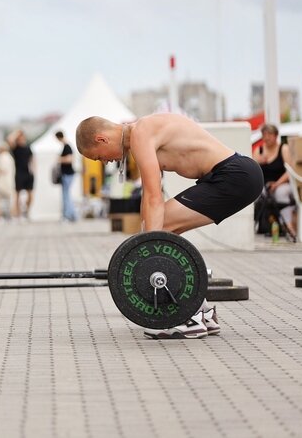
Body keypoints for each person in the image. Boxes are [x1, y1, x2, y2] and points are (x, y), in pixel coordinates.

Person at [76, 113, 263, 340]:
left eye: (98, 158)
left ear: (101, 140)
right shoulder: (141, 135)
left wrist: (149, 252)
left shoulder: (141, 134)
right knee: (161, 230)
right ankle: (202, 311)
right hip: (234, 175)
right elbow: (148, 197)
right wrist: (145, 241)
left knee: (161, 230)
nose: (105, 162)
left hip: (234, 176)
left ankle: (188, 318)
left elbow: (155, 198)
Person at [252, 124, 296, 238]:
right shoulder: (259, 150)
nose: (267, 138)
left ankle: (287, 225)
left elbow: (289, 171)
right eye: (264, 135)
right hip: (264, 184)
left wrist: (277, 184)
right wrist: (258, 162)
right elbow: (252, 171)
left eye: (270, 134)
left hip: (281, 183)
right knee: (255, 194)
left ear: (276, 136)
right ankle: (260, 225)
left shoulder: (283, 148)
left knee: (280, 193)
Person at [7, 129, 34, 220]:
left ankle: (27, 211)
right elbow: (9, 139)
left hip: (28, 173)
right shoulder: (15, 148)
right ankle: (18, 214)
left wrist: (33, 170)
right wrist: (17, 132)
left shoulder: (28, 148)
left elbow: (32, 159)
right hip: (19, 173)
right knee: (17, 195)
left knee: (30, 195)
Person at [55, 130, 77, 222]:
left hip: (68, 174)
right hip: (66, 174)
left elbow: (70, 159)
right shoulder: (66, 146)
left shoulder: (67, 147)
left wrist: (59, 159)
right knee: (66, 195)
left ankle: (69, 215)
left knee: (66, 195)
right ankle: (69, 214)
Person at [0, 144, 15, 221]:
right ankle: (11, 216)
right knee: (10, 199)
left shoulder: (2, 157)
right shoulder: (10, 157)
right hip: (10, 181)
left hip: (2, 181)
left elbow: (2, 169)